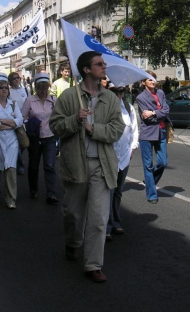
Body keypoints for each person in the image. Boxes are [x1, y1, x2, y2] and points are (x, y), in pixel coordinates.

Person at [49, 51, 125, 283]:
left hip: (101, 166)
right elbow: (55, 126)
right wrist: (75, 120)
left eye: (103, 64)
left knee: (99, 219)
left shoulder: (110, 98)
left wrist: (94, 130)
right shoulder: (70, 97)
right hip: (76, 164)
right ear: (86, 69)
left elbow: (117, 130)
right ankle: (73, 242)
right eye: (99, 64)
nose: (104, 67)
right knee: (73, 213)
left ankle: (93, 264)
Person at [0, 72, 23, 209]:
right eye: (1, 88)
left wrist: (2, 121)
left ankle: (11, 199)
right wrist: (10, 123)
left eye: (6, 88)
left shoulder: (13, 104)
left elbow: (19, 121)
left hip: (11, 141)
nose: (4, 90)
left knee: (11, 169)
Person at [106, 82, 139, 241]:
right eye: (116, 91)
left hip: (124, 155)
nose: (119, 94)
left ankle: (116, 221)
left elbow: (134, 129)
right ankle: (107, 225)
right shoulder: (104, 106)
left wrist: (133, 147)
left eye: (122, 91)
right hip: (109, 154)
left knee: (118, 192)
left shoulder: (128, 107)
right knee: (109, 192)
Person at [21, 72, 58, 204]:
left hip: (50, 137)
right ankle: (33, 189)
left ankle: (51, 193)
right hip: (35, 138)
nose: (43, 91)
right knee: (34, 165)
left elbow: (58, 116)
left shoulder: (53, 100)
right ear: (36, 87)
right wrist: (29, 123)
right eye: (40, 88)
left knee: (49, 165)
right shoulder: (30, 100)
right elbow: (22, 117)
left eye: (45, 88)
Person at [136, 70, 170, 204]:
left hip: (161, 131)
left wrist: (154, 113)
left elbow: (166, 111)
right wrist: (157, 114)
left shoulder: (161, 93)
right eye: (150, 79)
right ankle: (152, 194)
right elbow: (146, 118)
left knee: (163, 162)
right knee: (148, 165)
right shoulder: (140, 97)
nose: (153, 82)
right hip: (147, 134)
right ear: (143, 82)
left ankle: (149, 181)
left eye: (154, 79)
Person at [8, 71, 28, 174]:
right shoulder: (9, 92)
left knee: (24, 143)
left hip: (25, 120)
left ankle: (15, 160)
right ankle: (19, 166)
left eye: (17, 78)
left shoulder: (25, 90)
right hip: (15, 120)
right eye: (14, 78)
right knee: (17, 143)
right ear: (10, 81)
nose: (16, 80)